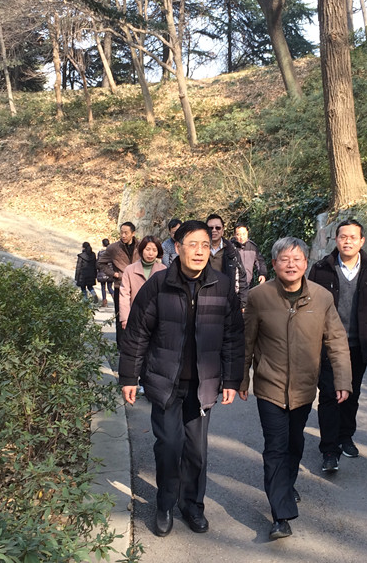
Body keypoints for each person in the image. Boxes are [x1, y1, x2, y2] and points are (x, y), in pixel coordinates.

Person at [119, 220, 244, 538]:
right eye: (193, 244)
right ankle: (165, 504)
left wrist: (231, 381)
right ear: (177, 247)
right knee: (169, 446)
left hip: (202, 384)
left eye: (205, 245)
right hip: (165, 382)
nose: (200, 251)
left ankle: (192, 505)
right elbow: (137, 334)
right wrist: (129, 377)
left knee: (196, 451)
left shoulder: (221, 285)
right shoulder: (159, 285)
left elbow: (233, 337)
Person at [240, 237, 352, 540]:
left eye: (297, 259)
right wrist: (242, 379)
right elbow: (247, 341)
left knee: (294, 443)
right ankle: (281, 515)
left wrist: (342, 380)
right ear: (274, 264)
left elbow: (337, 341)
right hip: (270, 386)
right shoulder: (259, 296)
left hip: (304, 388)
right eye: (284, 259)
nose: (291, 265)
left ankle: (286, 485)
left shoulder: (321, 297)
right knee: (275, 447)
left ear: (306, 263)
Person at [308, 219, 367, 472]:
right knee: (329, 395)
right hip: (327, 345)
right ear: (336, 240)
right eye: (343, 237)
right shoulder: (321, 269)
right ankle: (329, 449)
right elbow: (309, 308)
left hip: (359, 344)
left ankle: (345, 436)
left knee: (351, 394)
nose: (347, 241)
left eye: (353, 237)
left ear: (362, 241)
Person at [98, 222, 140, 344]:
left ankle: (134, 344)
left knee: (137, 316)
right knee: (121, 317)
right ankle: (121, 346)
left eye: (126, 233)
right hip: (120, 286)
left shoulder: (141, 246)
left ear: (133, 233)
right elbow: (100, 263)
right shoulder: (114, 248)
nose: (123, 235)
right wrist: (113, 274)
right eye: (121, 233)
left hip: (138, 286)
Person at [118, 236, 166, 330]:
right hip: (136, 317)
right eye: (147, 249)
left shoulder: (163, 270)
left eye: (154, 250)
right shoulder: (130, 270)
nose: (151, 253)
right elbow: (124, 295)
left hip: (157, 318)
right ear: (142, 250)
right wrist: (125, 318)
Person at [205, 214, 248, 309]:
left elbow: (241, 277)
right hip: (205, 300)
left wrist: (243, 303)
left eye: (218, 228)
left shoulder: (232, 251)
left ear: (223, 230)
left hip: (228, 300)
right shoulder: (200, 251)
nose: (214, 230)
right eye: (210, 228)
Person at [232, 223, 267, 287]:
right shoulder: (230, 248)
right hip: (233, 285)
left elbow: (260, 262)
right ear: (234, 235)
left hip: (248, 285)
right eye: (238, 234)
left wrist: (262, 274)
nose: (241, 237)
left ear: (247, 233)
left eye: (244, 234)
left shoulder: (253, 247)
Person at [96, 238, 113, 307]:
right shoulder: (112, 252)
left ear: (103, 244)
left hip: (102, 272)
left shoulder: (100, 253)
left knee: (103, 287)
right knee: (110, 287)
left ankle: (104, 302)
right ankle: (116, 300)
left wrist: (98, 270)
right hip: (110, 272)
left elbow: (98, 263)